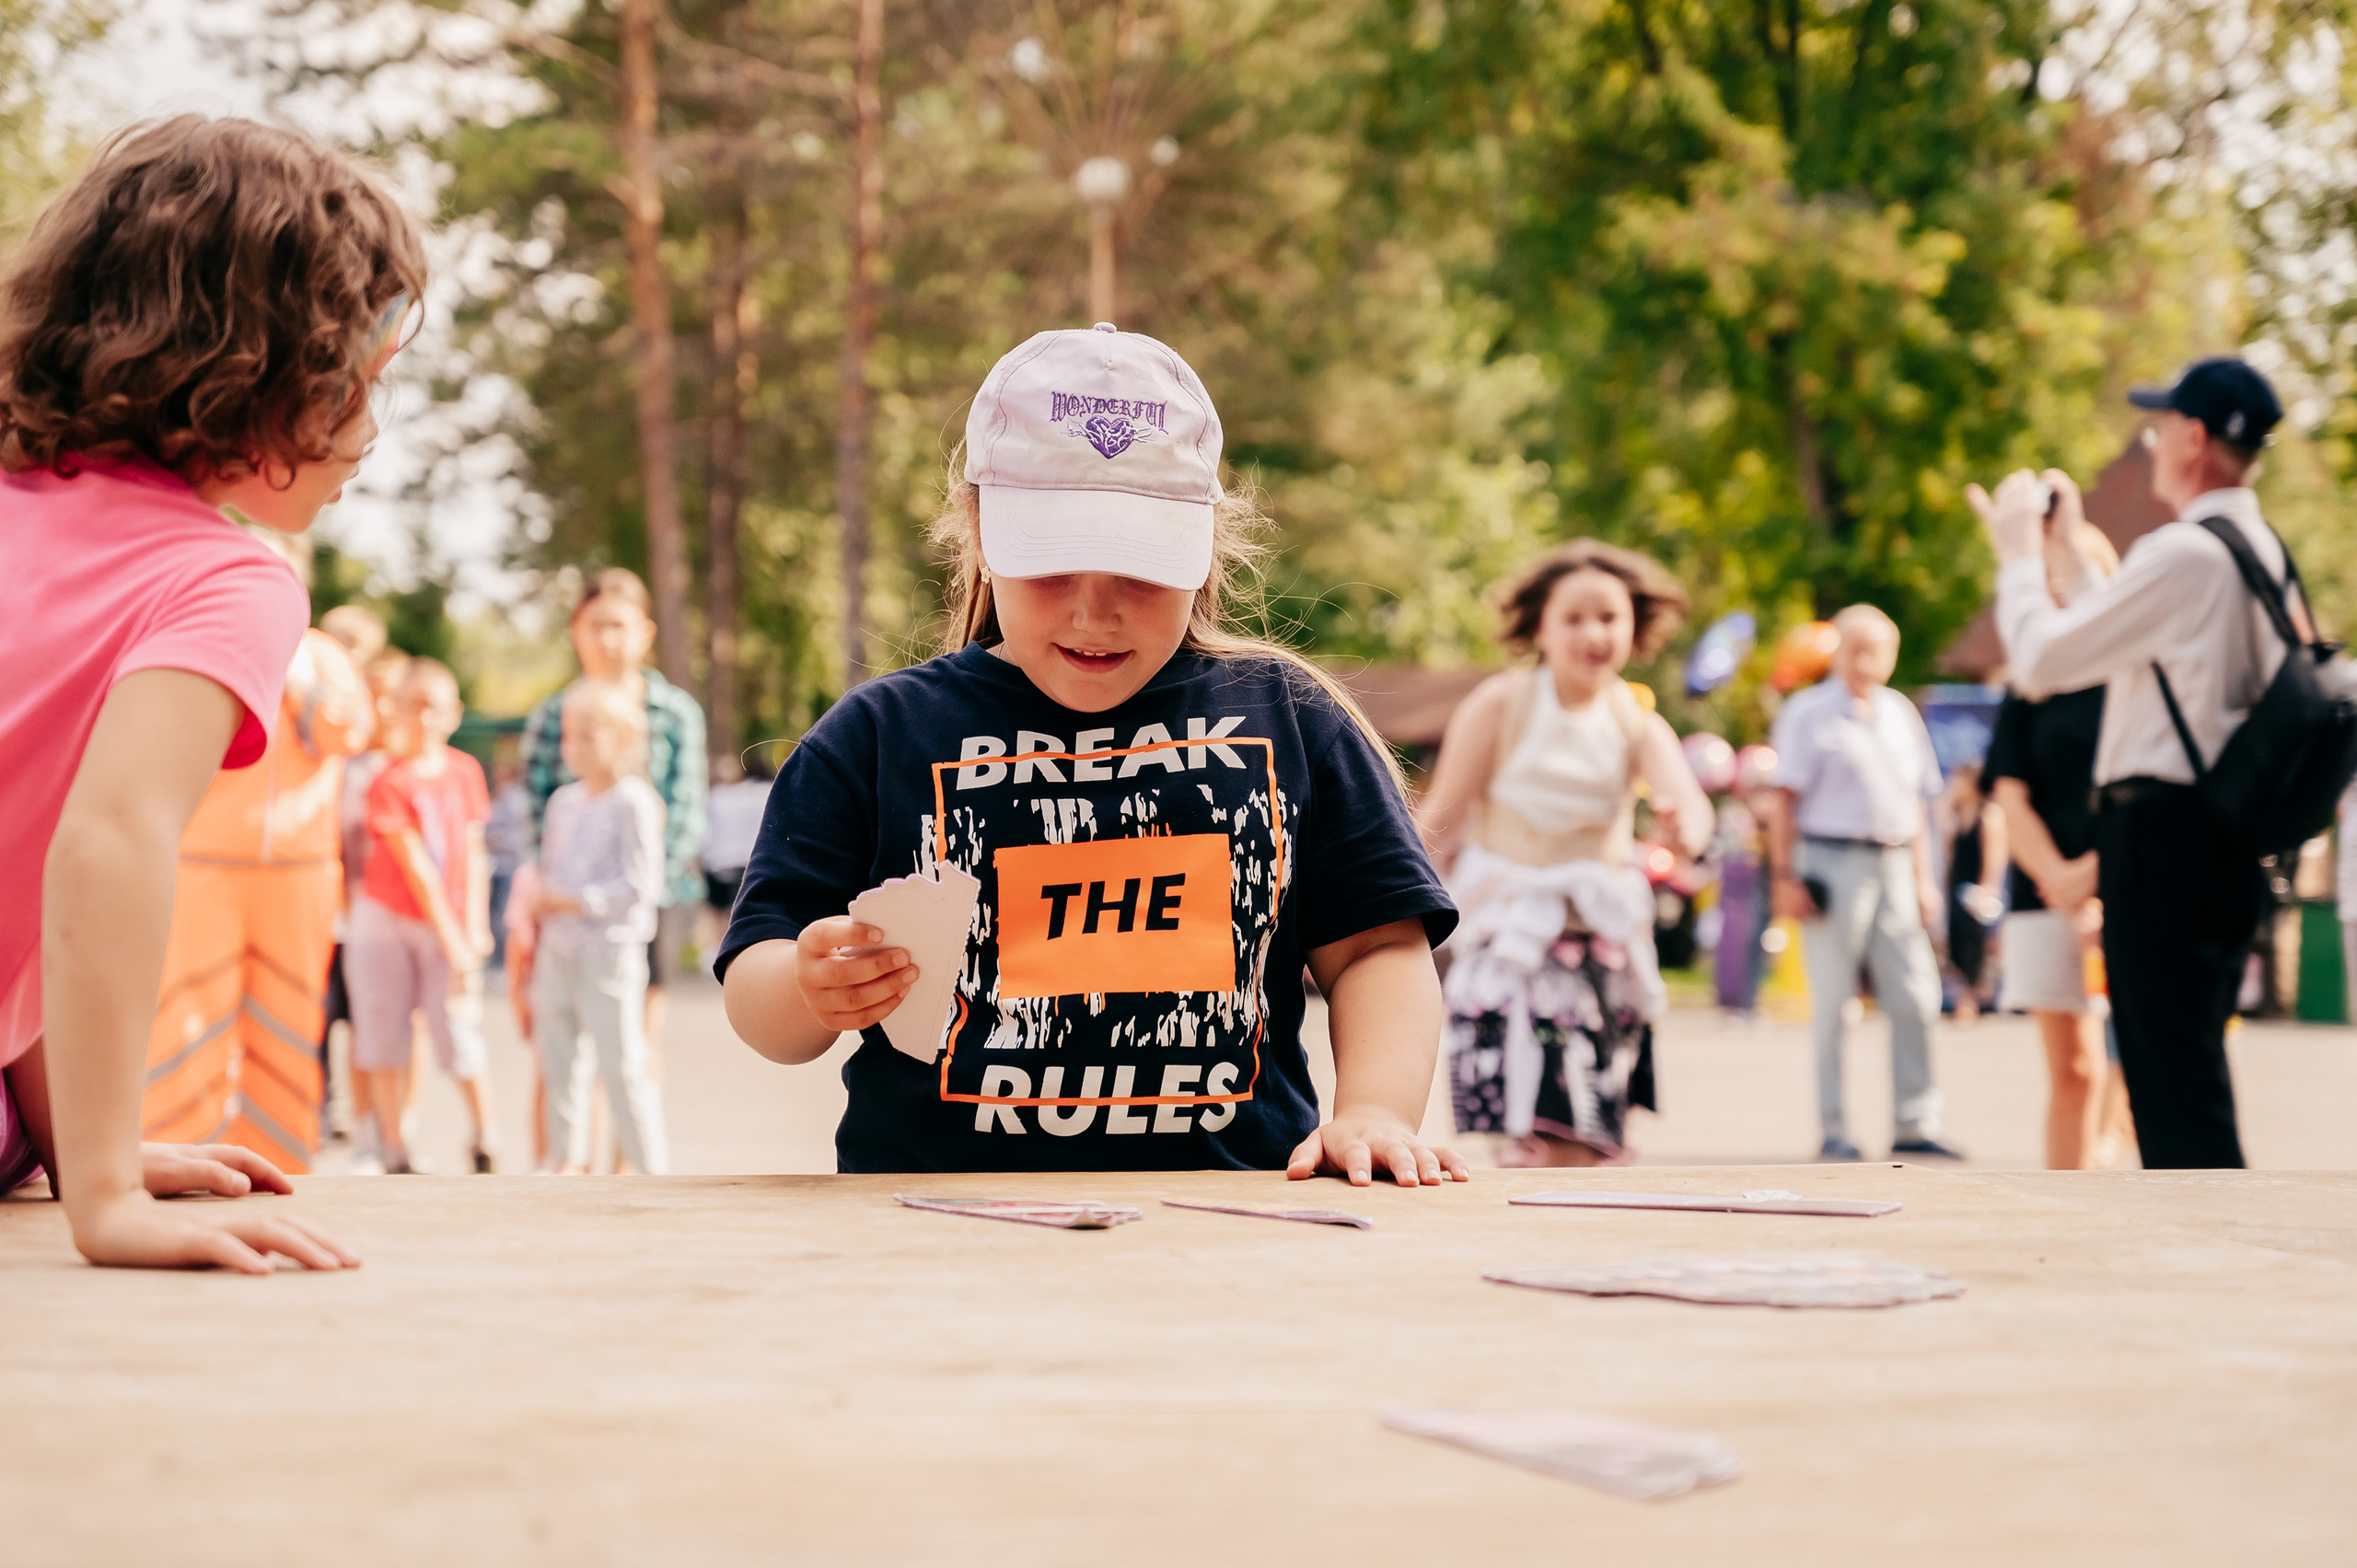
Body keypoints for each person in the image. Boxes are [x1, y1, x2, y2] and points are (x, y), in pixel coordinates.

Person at [717, 323, 1468, 1184]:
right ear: (979, 534)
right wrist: (808, 989)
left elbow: (1377, 948)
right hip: (933, 1236)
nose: (1093, 612)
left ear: (1207, 545)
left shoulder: (1295, 718)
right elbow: (758, 977)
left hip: (1235, 1227)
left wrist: (1373, 1110)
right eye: (1051, 565)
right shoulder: (874, 736)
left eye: (1139, 569)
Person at [0, 114, 420, 1271]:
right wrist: (104, 1196)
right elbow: (104, 844)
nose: (371, 434)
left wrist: (84, 1143)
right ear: (256, 369)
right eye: (360, 387)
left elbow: (22, 884)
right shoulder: (220, 577)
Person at [1970, 357, 2295, 1169]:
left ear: (2191, 437)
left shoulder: (2185, 550)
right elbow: (2139, 643)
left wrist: (2017, 557)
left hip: (2163, 836)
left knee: (2170, 1080)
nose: (2150, 444)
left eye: (2160, 428)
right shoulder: (2253, 549)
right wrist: (2073, 563)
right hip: (2217, 833)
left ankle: (2209, 1269)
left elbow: (2045, 660)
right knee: (2179, 1063)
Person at [1414, 542, 1713, 1167]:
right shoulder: (1501, 704)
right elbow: (1436, 819)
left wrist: (1683, 826)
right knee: (1532, 1141)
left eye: (1610, 617)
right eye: (1574, 617)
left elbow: (1689, 806)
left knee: (1594, 1142)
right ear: (1541, 627)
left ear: (1634, 626)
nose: (1593, 633)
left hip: (1599, 946)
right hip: (1512, 941)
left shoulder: (1636, 721)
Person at [142, 626, 373, 1173]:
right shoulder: (199, 632)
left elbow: (349, 732)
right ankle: (176, 1155)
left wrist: (297, 680)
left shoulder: (326, 656)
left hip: (300, 869)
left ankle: (284, 1165)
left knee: (290, 1020)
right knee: (187, 1015)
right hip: (202, 861)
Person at [1764, 605, 1964, 1163]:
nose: (1868, 662)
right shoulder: (1808, 713)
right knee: (1833, 1002)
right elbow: (1784, 800)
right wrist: (1785, 875)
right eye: (1858, 649)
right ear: (1838, 652)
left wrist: (1925, 878)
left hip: (1895, 861)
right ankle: (1833, 1128)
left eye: (1879, 651)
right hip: (1830, 860)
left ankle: (1914, 1120)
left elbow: (1919, 801)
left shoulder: (1900, 713)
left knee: (1917, 994)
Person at [520, 569, 707, 1051]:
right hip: (567, 908)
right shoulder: (552, 714)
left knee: (635, 1048)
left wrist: (639, 892)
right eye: (595, 625)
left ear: (645, 632)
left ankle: (628, 1131)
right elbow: (538, 814)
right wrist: (557, 894)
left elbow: (685, 810)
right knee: (567, 1051)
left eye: (619, 626)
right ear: (575, 631)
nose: (607, 639)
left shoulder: (675, 711)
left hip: (648, 901)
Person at [1984, 523, 2120, 1169]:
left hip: (2126, 881)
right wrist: (2066, 887)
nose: (2059, 588)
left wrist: (2098, 876)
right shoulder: (2025, 690)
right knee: (2075, 1070)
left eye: (2072, 572)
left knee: (2139, 1069)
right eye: (2049, 578)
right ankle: (2070, 1197)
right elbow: (2009, 800)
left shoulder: (2136, 679)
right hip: (2045, 893)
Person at [346, 657, 497, 1174]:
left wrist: (474, 925)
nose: (423, 717)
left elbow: (475, 853)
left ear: (453, 714)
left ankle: (484, 1135)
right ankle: (395, 1148)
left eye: (433, 706)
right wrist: (452, 934)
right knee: (383, 1025)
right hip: (389, 917)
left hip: (447, 922)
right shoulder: (387, 780)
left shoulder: (464, 771)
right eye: (413, 706)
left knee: (455, 1025)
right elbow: (416, 867)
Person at [535, 681, 669, 1174]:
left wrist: (573, 901)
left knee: (622, 1066)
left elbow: (640, 886)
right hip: (558, 950)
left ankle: (651, 1170)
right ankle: (565, 1161)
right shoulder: (564, 802)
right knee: (559, 1063)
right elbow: (552, 867)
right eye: (569, 736)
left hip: (610, 954)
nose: (575, 747)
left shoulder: (634, 802)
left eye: (589, 736)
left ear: (625, 738)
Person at [1938, 762, 2008, 1019]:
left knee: (1975, 944)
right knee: (1957, 942)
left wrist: (1989, 887)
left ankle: (1972, 999)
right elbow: (1948, 852)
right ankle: (1968, 996)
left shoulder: (1988, 813)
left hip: (1977, 890)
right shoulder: (1959, 815)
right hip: (1957, 887)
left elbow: (1996, 854)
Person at [702, 746, 775, 918]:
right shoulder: (763, 793)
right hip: (745, 860)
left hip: (720, 862)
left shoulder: (717, 796)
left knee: (722, 916)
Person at [485, 754, 530, 970]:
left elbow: (518, 834)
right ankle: (498, 958)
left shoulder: (515, 796)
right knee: (495, 913)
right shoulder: (502, 795)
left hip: (510, 865)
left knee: (505, 914)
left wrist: (496, 840)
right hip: (496, 865)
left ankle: (504, 959)